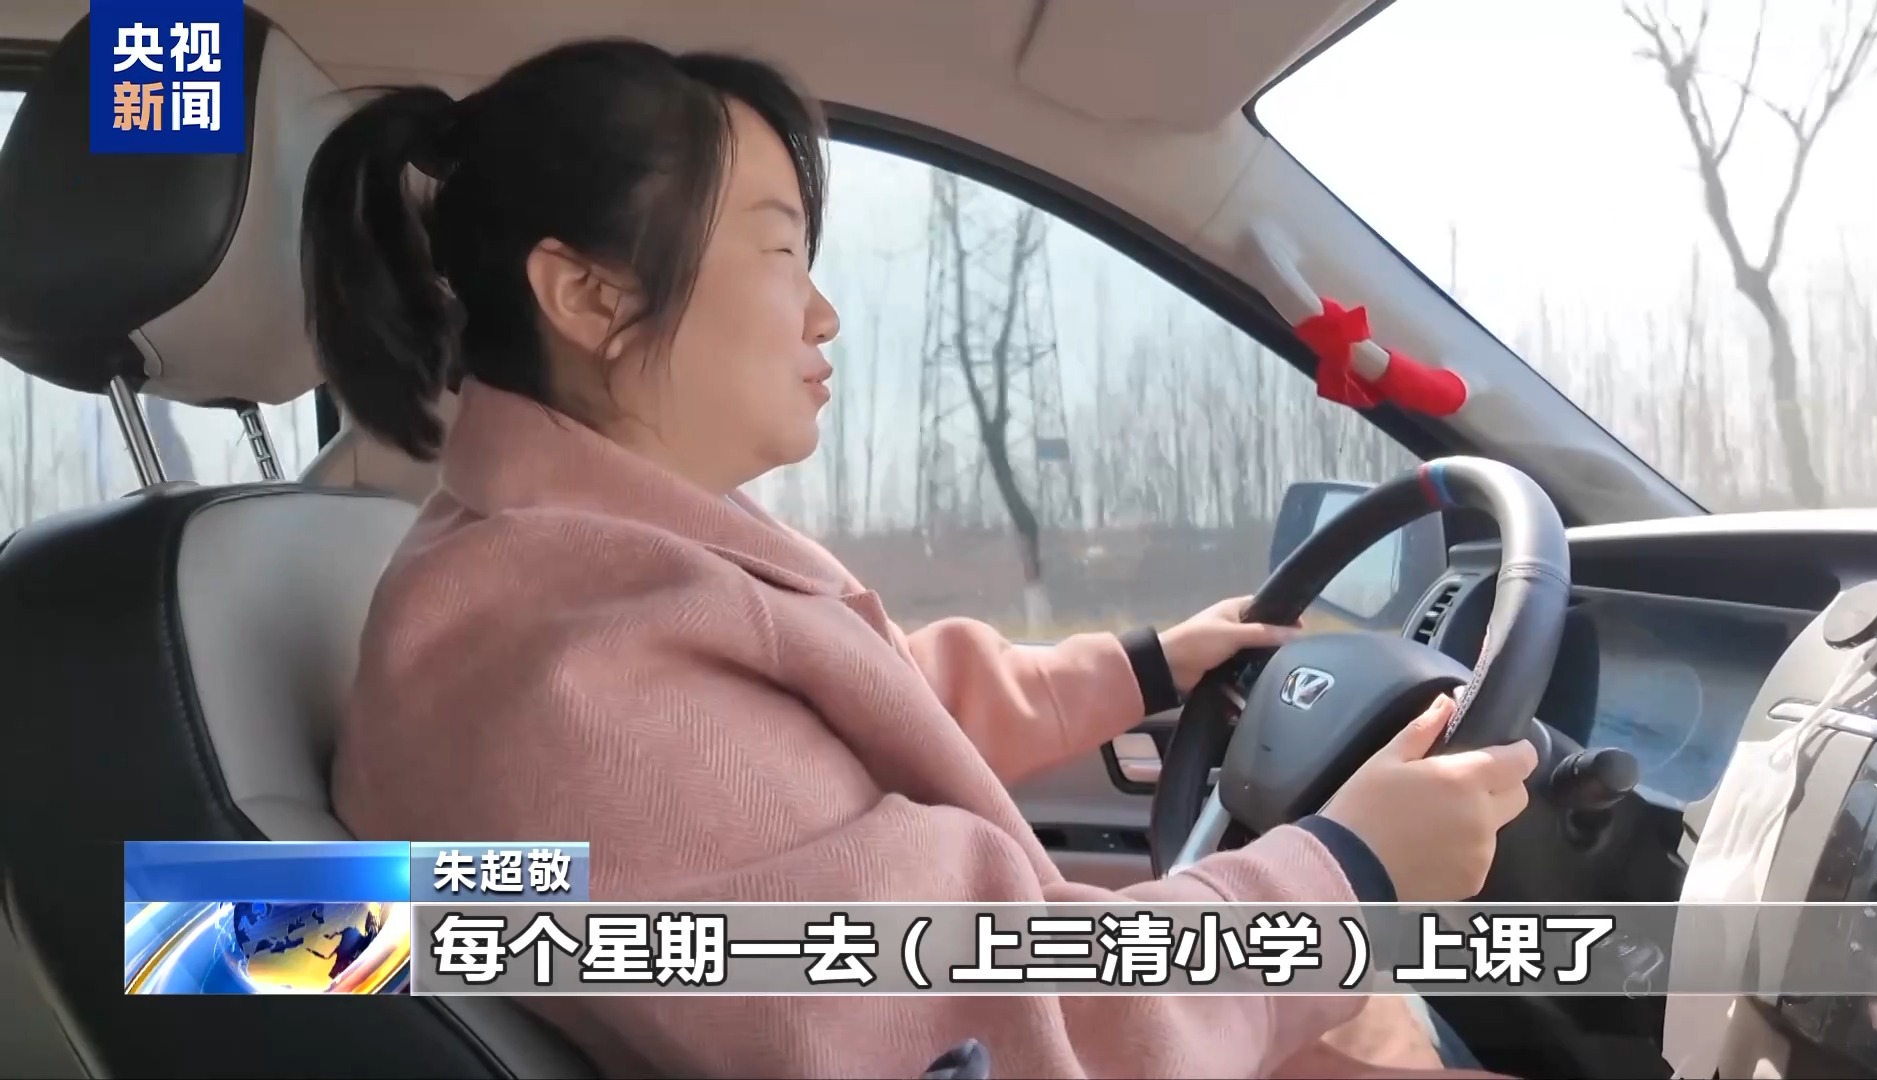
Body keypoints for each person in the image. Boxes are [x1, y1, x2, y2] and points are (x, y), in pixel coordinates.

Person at [308, 39, 1535, 1080]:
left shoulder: (594, 573)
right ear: (587, 297)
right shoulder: (578, 676)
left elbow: (878, 698)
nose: (824, 313)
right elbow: (1010, 1020)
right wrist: (1348, 880)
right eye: (781, 252)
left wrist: (1147, 666)